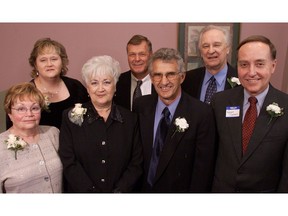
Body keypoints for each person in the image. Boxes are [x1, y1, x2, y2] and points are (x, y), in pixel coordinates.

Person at [211, 35, 288, 192]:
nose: (251, 72)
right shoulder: (220, 102)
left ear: (273, 66)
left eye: (259, 64)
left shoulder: (286, 106)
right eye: (244, 64)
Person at [133, 48, 216, 192]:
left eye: (170, 74)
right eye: (158, 75)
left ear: (182, 77)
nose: (164, 82)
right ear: (152, 78)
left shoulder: (201, 113)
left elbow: (202, 171)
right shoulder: (141, 106)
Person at [59, 55, 143, 193]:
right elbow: (69, 162)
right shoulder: (70, 117)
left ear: (115, 86)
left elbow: (136, 164)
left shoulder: (131, 119)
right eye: (94, 83)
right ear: (87, 87)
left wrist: (119, 192)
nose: (100, 89)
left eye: (106, 82)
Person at [6, 37, 89, 129]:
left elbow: (91, 118)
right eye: (43, 60)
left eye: (54, 59)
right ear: (35, 65)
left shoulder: (76, 87)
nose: (49, 64)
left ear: (62, 62)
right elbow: (12, 131)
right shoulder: (24, 93)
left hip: (74, 142)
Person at [0, 82, 62, 193]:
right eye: (21, 109)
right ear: (9, 114)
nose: (29, 114)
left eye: (34, 108)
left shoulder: (53, 133)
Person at [182, 25, 238, 104]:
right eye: (206, 46)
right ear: (201, 52)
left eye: (216, 45)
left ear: (228, 48)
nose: (211, 51)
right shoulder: (188, 80)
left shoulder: (241, 81)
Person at [114, 34, 156, 110]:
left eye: (142, 54)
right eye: (132, 54)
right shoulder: (117, 82)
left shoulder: (160, 82)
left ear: (151, 55)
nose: (137, 59)